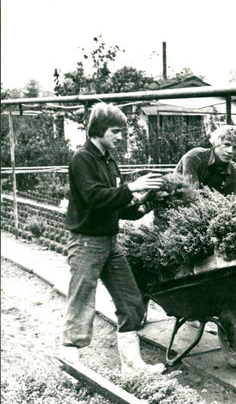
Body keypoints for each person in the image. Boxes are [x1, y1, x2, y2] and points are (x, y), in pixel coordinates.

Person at [60, 102, 166, 374]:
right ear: (98, 130)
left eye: (122, 132)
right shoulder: (82, 160)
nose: (120, 137)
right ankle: (70, 365)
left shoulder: (109, 161)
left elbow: (116, 207)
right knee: (82, 300)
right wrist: (132, 187)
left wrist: (146, 203)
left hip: (109, 241)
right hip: (86, 242)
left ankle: (132, 367)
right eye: (115, 131)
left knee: (131, 301)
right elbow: (94, 198)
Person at [173, 124, 236, 195]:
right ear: (216, 143)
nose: (230, 151)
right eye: (227, 144)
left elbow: (229, 203)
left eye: (235, 147)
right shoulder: (195, 157)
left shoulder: (234, 173)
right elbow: (192, 194)